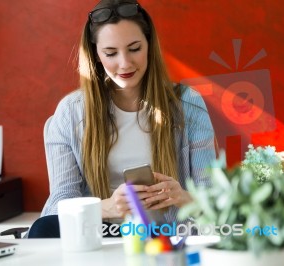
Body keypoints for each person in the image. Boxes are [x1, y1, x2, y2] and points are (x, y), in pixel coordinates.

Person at [27, 0, 216, 238]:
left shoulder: (187, 105)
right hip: (100, 237)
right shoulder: (70, 113)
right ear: (95, 54)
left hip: (166, 236)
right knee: (43, 230)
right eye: (111, 53)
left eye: (135, 48)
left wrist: (181, 197)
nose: (124, 63)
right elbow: (57, 206)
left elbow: (214, 203)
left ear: (149, 45)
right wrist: (106, 207)